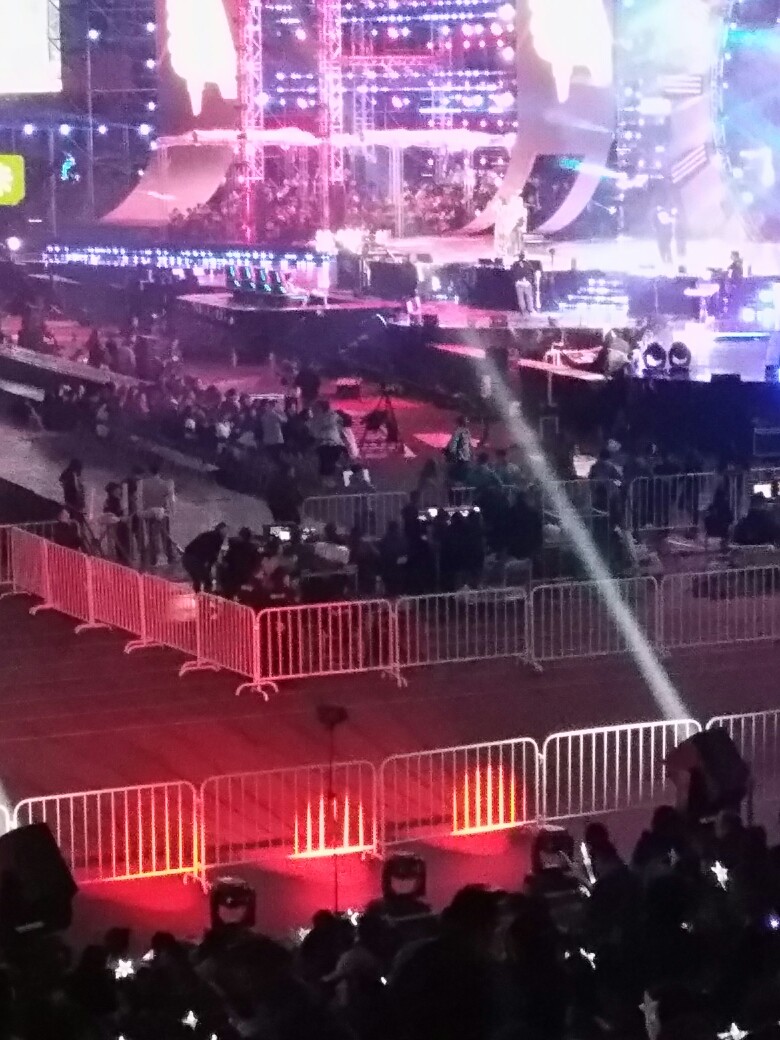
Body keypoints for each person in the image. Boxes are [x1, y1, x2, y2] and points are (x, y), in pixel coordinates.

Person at [182, 522, 227, 592]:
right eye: (225, 530)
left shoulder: (207, 534)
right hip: (195, 559)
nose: (226, 533)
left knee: (197, 579)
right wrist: (210, 567)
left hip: (186, 557)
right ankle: (206, 596)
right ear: (221, 529)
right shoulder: (218, 538)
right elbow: (212, 554)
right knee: (206, 581)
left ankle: (198, 594)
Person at [310, 400, 344, 485]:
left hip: (333, 443)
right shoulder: (319, 418)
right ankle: (325, 480)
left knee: (329, 461)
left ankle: (327, 479)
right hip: (324, 443)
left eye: (317, 408)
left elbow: (338, 423)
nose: (315, 409)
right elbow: (314, 432)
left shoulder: (331, 416)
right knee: (325, 461)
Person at [444, 416, 473, 485]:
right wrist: (453, 452)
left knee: (464, 470)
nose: (467, 422)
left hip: (466, 454)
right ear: (462, 422)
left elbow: (469, 443)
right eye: (466, 421)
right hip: (460, 455)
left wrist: (471, 452)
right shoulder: (458, 431)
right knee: (459, 470)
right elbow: (454, 442)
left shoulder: (467, 431)